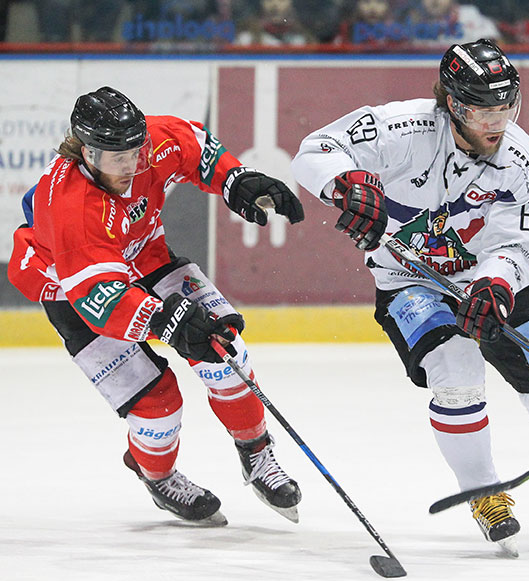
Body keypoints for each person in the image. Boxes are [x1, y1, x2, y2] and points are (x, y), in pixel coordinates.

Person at [291, 39, 529, 555]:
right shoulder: (402, 127)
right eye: (480, 108)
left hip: (492, 280)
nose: (495, 120)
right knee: (455, 373)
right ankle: (486, 495)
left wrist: (496, 283)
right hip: (409, 280)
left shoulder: (523, 163)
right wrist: (347, 184)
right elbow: (314, 151)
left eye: (505, 105)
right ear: (451, 103)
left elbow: (518, 244)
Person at [6, 86, 306, 526]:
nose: (130, 164)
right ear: (87, 152)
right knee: (158, 406)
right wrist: (168, 321)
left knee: (224, 349)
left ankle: (257, 453)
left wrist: (235, 179)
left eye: (135, 151)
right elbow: (101, 299)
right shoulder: (69, 205)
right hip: (75, 293)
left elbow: (197, 148)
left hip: (145, 258)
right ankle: (157, 476)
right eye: (116, 157)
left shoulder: (149, 144)